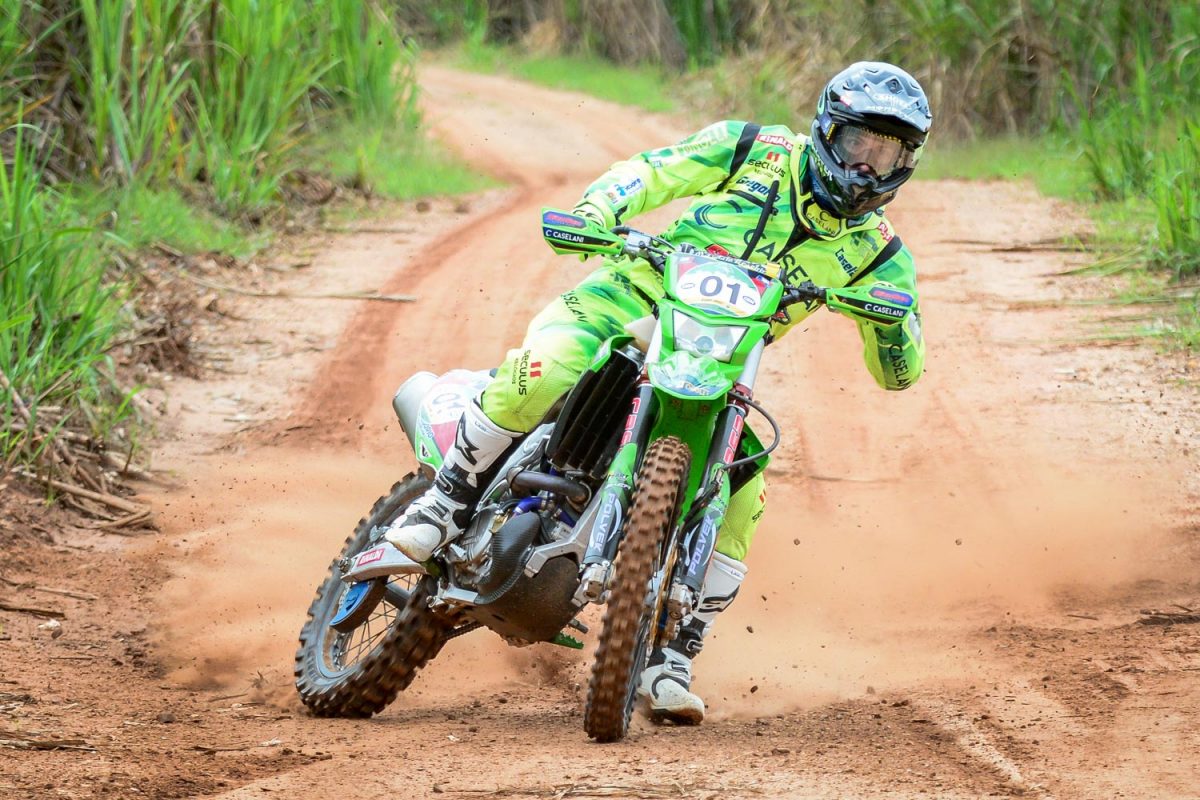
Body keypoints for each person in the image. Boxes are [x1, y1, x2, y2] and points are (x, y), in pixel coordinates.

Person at [387, 61, 931, 724]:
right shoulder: (754, 148)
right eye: (857, 143)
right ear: (826, 131)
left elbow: (901, 373)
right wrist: (599, 210)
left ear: (906, 163)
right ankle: (446, 503)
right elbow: (653, 171)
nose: (866, 165)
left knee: (745, 491)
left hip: (723, 363)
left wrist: (891, 325)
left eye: (886, 153)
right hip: (632, 295)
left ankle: (675, 652)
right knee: (550, 367)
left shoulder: (880, 253)